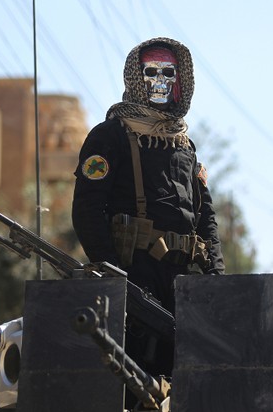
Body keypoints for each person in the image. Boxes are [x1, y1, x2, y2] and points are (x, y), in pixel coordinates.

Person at [71, 37, 225, 378]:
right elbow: (87, 210)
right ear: (135, 78)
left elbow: (206, 219)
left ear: (180, 82)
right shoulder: (110, 136)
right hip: (135, 277)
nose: (160, 81)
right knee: (134, 381)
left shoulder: (184, 145)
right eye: (151, 72)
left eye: (168, 73)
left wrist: (216, 280)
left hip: (184, 283)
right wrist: (115, 278)